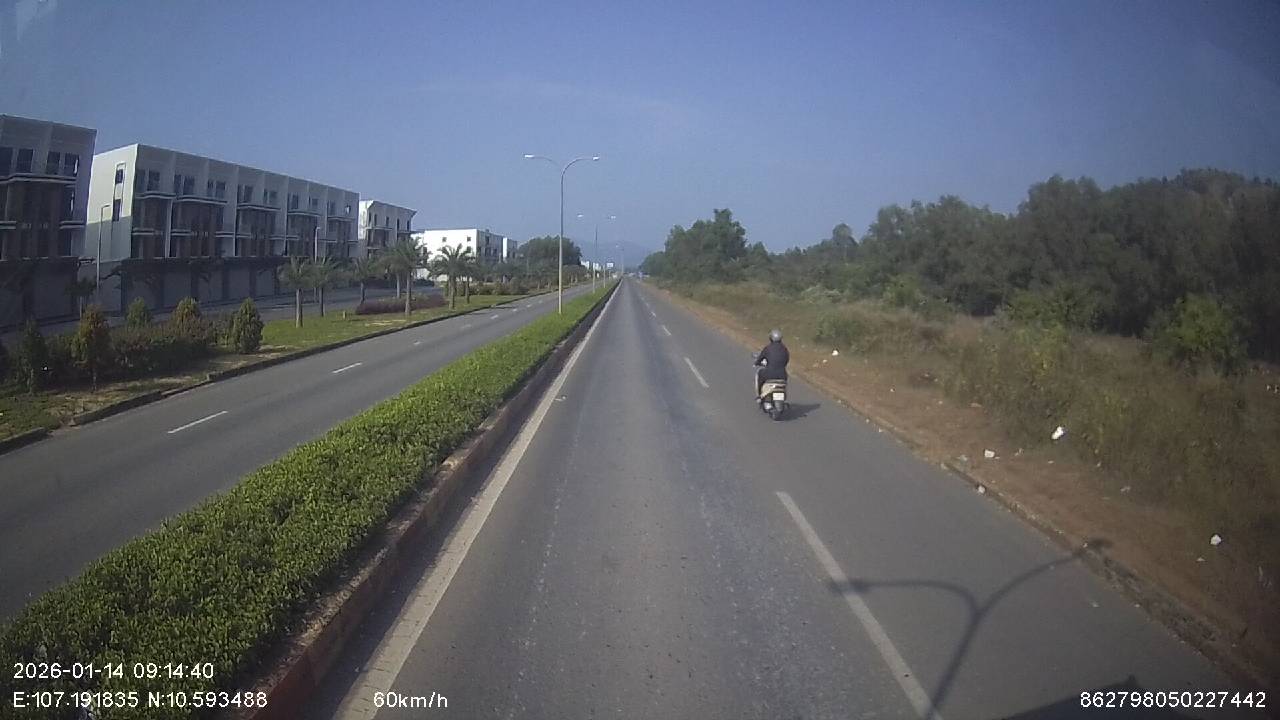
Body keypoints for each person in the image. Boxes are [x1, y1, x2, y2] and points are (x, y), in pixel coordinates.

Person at [754, 329, 789, 398]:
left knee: (759, 373)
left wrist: (756, 363)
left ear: (770, 338)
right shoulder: (784, 349)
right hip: (782, 375)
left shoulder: (768, 348)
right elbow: (786, 360)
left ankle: (759, 395)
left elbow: (760, 358)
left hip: (769, 374)